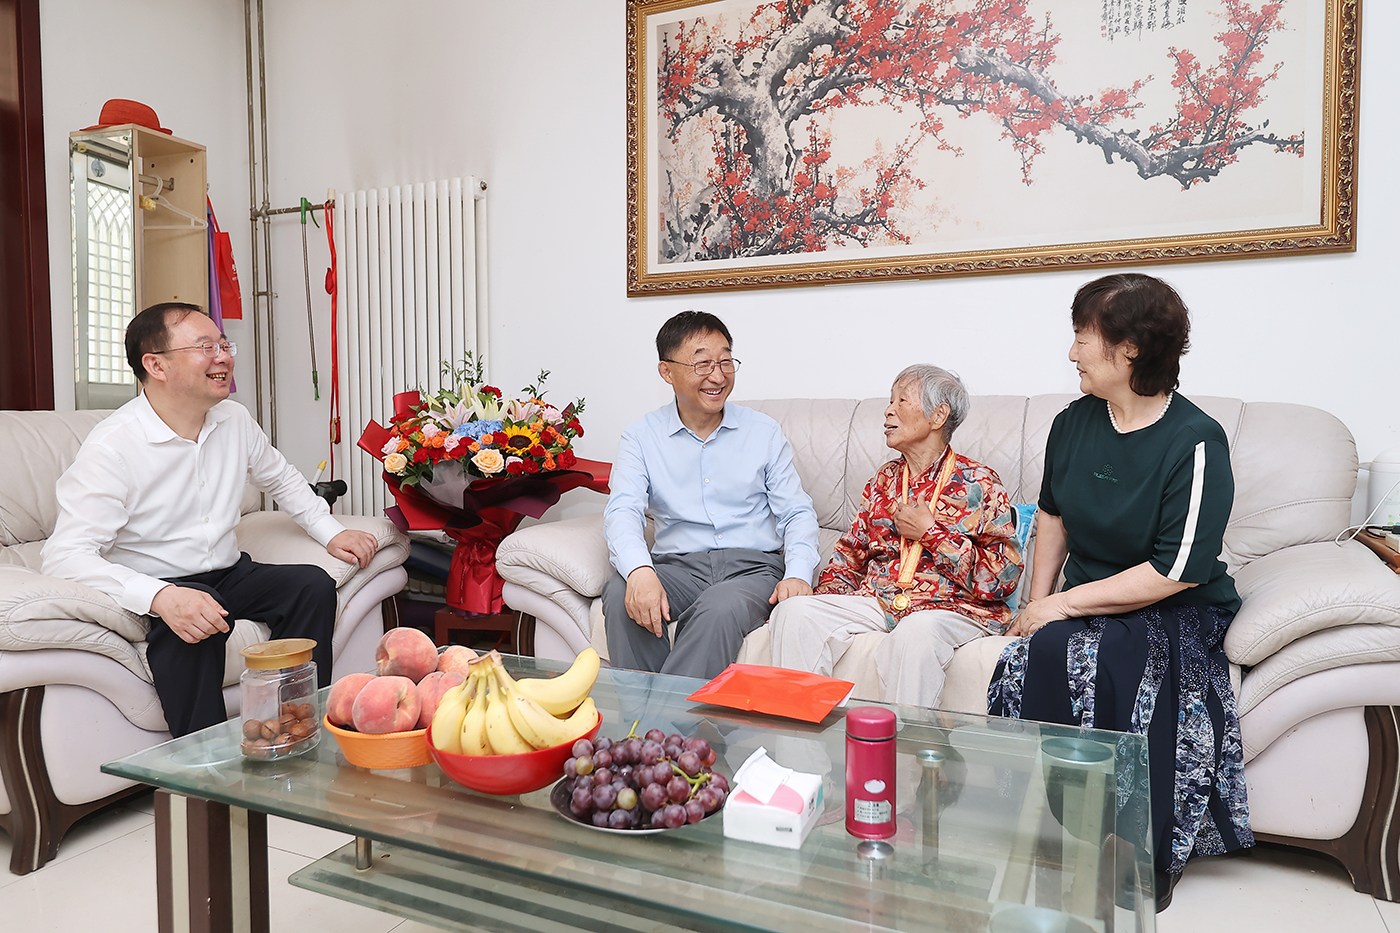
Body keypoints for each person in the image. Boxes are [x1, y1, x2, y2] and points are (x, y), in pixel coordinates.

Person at [986, 274, 1253, 911]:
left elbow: (1176, 570)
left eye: (1083, 338)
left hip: (1176, 605)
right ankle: (1064, 832)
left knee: (1118, 664)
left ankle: (1141, 848)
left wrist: (1060, 605)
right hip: (1087, 597)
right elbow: (1053, 517)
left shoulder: (1195, 440)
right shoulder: (1072, 423)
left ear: (1128, 349)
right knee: (1039, 654)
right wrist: (1036, 604)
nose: (1072, 353)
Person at [42, 302, 379, 737]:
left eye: (223, 345)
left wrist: (331, 533)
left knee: (310, 586)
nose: (223, 357)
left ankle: (295, 729)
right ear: (156, 365)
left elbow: (281, 478)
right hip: (156, 582)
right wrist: (161, 596)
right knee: (197, 614)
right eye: (205, 347)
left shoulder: (233, 419)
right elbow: (65, 555)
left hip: (228, 572)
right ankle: (201, 764)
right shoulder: (113, 447)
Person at [770, 365, 1022, 708]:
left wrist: (932, 534)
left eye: (901, 400)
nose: (888, 410)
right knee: (794, 613)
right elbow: (849, 557)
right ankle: (803, 739)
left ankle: (903, 744)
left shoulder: (980, 482)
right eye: (890, 401)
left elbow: (1002, 578)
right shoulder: (884, 480)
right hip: (880, 600)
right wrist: (823, 602)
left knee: (916, 632)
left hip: (951, 608)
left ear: (938, 415)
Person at [602, 310, 821, 680]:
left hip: (752, 570)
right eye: (702, 364)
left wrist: (798, 574)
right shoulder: (641, 437)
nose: (718, 376)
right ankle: (654, 715)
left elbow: (796, 512)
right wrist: (639, 571)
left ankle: (652, 718)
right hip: (679, 569)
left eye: (725, 361)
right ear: (667, 372)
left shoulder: (762, 432)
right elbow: (622, 511)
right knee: (620, 592)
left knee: (719, 608)